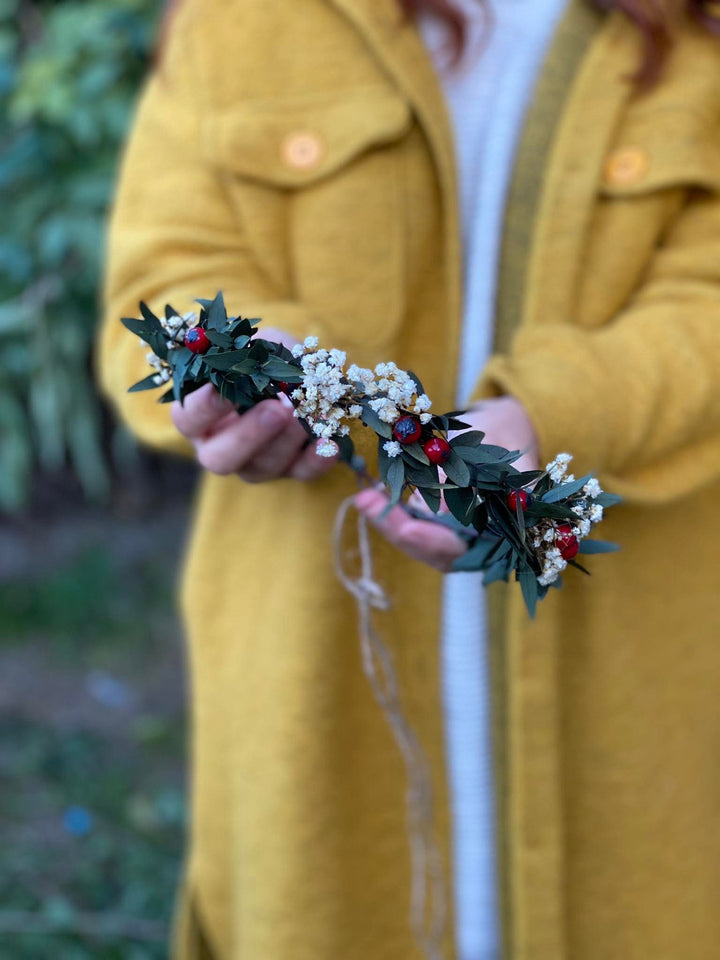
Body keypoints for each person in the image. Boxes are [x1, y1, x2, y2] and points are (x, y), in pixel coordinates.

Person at [97, 0, 720, 957]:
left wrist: (557, 417)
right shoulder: (246, 18)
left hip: (647, 678)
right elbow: (163, 270)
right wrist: (234, 367)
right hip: (314, 671)